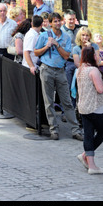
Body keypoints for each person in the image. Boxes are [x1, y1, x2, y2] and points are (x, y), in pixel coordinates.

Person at [34, 12, 83, 141]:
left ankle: (75, 130)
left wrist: (57, 44)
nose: (57, 23)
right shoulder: (44, 36)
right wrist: (47, 46)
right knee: (48, 101)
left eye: (58, 21)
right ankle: (53, 130)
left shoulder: (66, 37)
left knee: (66, 101)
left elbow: (66, 56)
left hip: (60, 70)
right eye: (54, 21)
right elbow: (36, 52)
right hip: (47, 70)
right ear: (50, 23)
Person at [76, 46, 103, 174]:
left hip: (84, 107)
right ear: (91, 56)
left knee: (88, 135)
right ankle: (89, 160)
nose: (98, 57)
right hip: (96, 107)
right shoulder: (93, 70)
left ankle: (90, 162)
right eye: (96, 55)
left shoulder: (80, 70)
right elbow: (100, 89)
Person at [61, 9, 81, 107]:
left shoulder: (79, 29)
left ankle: (76, 110)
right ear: (65, 19)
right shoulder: (61, 31)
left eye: (73, 19)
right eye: (69, 19)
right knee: (67, 87)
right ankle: (66, 111)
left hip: (80, 62)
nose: (72, 21)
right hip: (68, 62)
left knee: (78, 87)